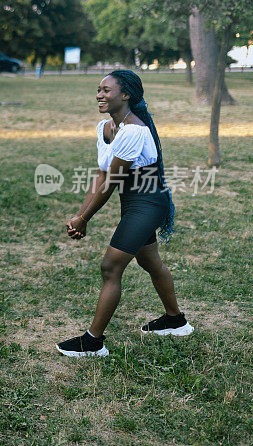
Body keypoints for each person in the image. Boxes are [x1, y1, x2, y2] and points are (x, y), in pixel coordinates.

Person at [57, 70, 193, 358]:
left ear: (125, 95)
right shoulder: (106, 128)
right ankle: (175, 321)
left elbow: (111, 183)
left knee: (110, 268)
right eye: (98, 89)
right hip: (133, 205)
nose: (99, 95)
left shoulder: (134, 130)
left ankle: (93, 342)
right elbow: (101, 174)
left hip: (149, 205)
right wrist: (79, 214)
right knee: (150, 262)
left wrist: (86, 219)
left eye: (107, 90)